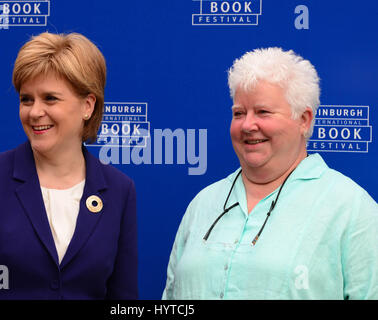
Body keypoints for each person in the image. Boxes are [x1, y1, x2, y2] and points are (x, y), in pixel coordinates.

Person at [162, 47, 378, 300]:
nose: (247, 125)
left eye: (263, 112)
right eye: (239, 113)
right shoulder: (203, 204)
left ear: (304, 120)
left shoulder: (352, 209)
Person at [0, 32, 137, 299]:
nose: (34, 112)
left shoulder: (119, 190)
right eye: (26, 99)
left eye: (50, 98)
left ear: (87, 105)